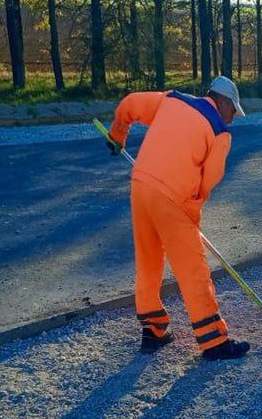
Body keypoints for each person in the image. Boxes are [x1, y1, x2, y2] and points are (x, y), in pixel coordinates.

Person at [106, 76, 250, 361]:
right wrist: (192, 210)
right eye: (233, 110)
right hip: (173, 198)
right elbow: (209, 180)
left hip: (141, 187)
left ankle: (153, 329)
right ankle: (214, 341)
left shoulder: (171, 100)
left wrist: (117, 135)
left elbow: (129, 104)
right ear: (221, 102)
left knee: (148, 260)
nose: (232, 118)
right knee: (193, 268)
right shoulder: (219, 133)